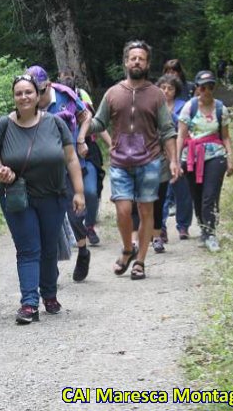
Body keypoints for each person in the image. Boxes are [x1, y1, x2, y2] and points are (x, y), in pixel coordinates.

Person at [0, 74, 85, 324]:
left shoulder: (55, 124)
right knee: (28, 250)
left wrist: (78, 192)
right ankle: (29, 303)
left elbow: (70, 158)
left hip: (53, 197)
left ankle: (49, 294)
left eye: (28, 92)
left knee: (49, 248)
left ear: (38, 95)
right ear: (14, 97)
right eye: (19, 93)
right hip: (17, 197)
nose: (24, 97)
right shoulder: (3, 125)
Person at [88, 40, 180, 280]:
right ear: (125, 62)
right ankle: (129, 248)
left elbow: (168, 130)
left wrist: (173, 161)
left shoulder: (157, 95)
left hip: (149, 161)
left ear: (147, 63)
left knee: (146, 210)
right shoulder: (113, 93)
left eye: (141, 58)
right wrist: (82, 122)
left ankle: (140, 262)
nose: (136, 61)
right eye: (132, 58)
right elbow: (99, 122)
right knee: (123, 210)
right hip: (119, 162)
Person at [26, 65, 93, 283]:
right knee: (47, 219)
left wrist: (81, 139)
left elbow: (86, 116)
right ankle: (50, 269)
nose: (37, 95)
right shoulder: (28, 102)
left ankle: (83, 251)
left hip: (71, 163)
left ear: (48, 84)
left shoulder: (66, 95)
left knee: (75, 215)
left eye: (40, 90)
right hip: (44, 170)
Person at [176, 70, 233, 252]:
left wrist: (230, 158)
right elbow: (181, 135)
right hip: (192, 157)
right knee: (197, 195)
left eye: (210, 86)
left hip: (215, 155)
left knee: (210, 195)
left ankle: (211, 233)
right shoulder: (189, 107)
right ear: (197, 88)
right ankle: (203, 228)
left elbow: (225, 137)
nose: (207, 91)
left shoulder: (220, 108)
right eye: (203, 87)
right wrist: (176, 161)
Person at [57, 68, 112, 247]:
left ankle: (89, 225)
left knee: (90, 191)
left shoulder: (82, 96)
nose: (66, 78)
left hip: (87, 152)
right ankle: (76, 229)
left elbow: (95, 121)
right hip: (63, 155)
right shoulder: (52, 99)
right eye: (63, 75)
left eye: (69, 75)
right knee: (68, 195)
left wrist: (111, 145)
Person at [156, 74, 194, 242]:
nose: (166, 91)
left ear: (176, 90)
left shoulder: (184, 106)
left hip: (181, 151)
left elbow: (189, 127)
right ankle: (161, 228)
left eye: (170, 88)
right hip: (159, 153)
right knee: (162, 192)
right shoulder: (154, 106)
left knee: (183, 191)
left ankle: (183, 226)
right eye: (163, 87)